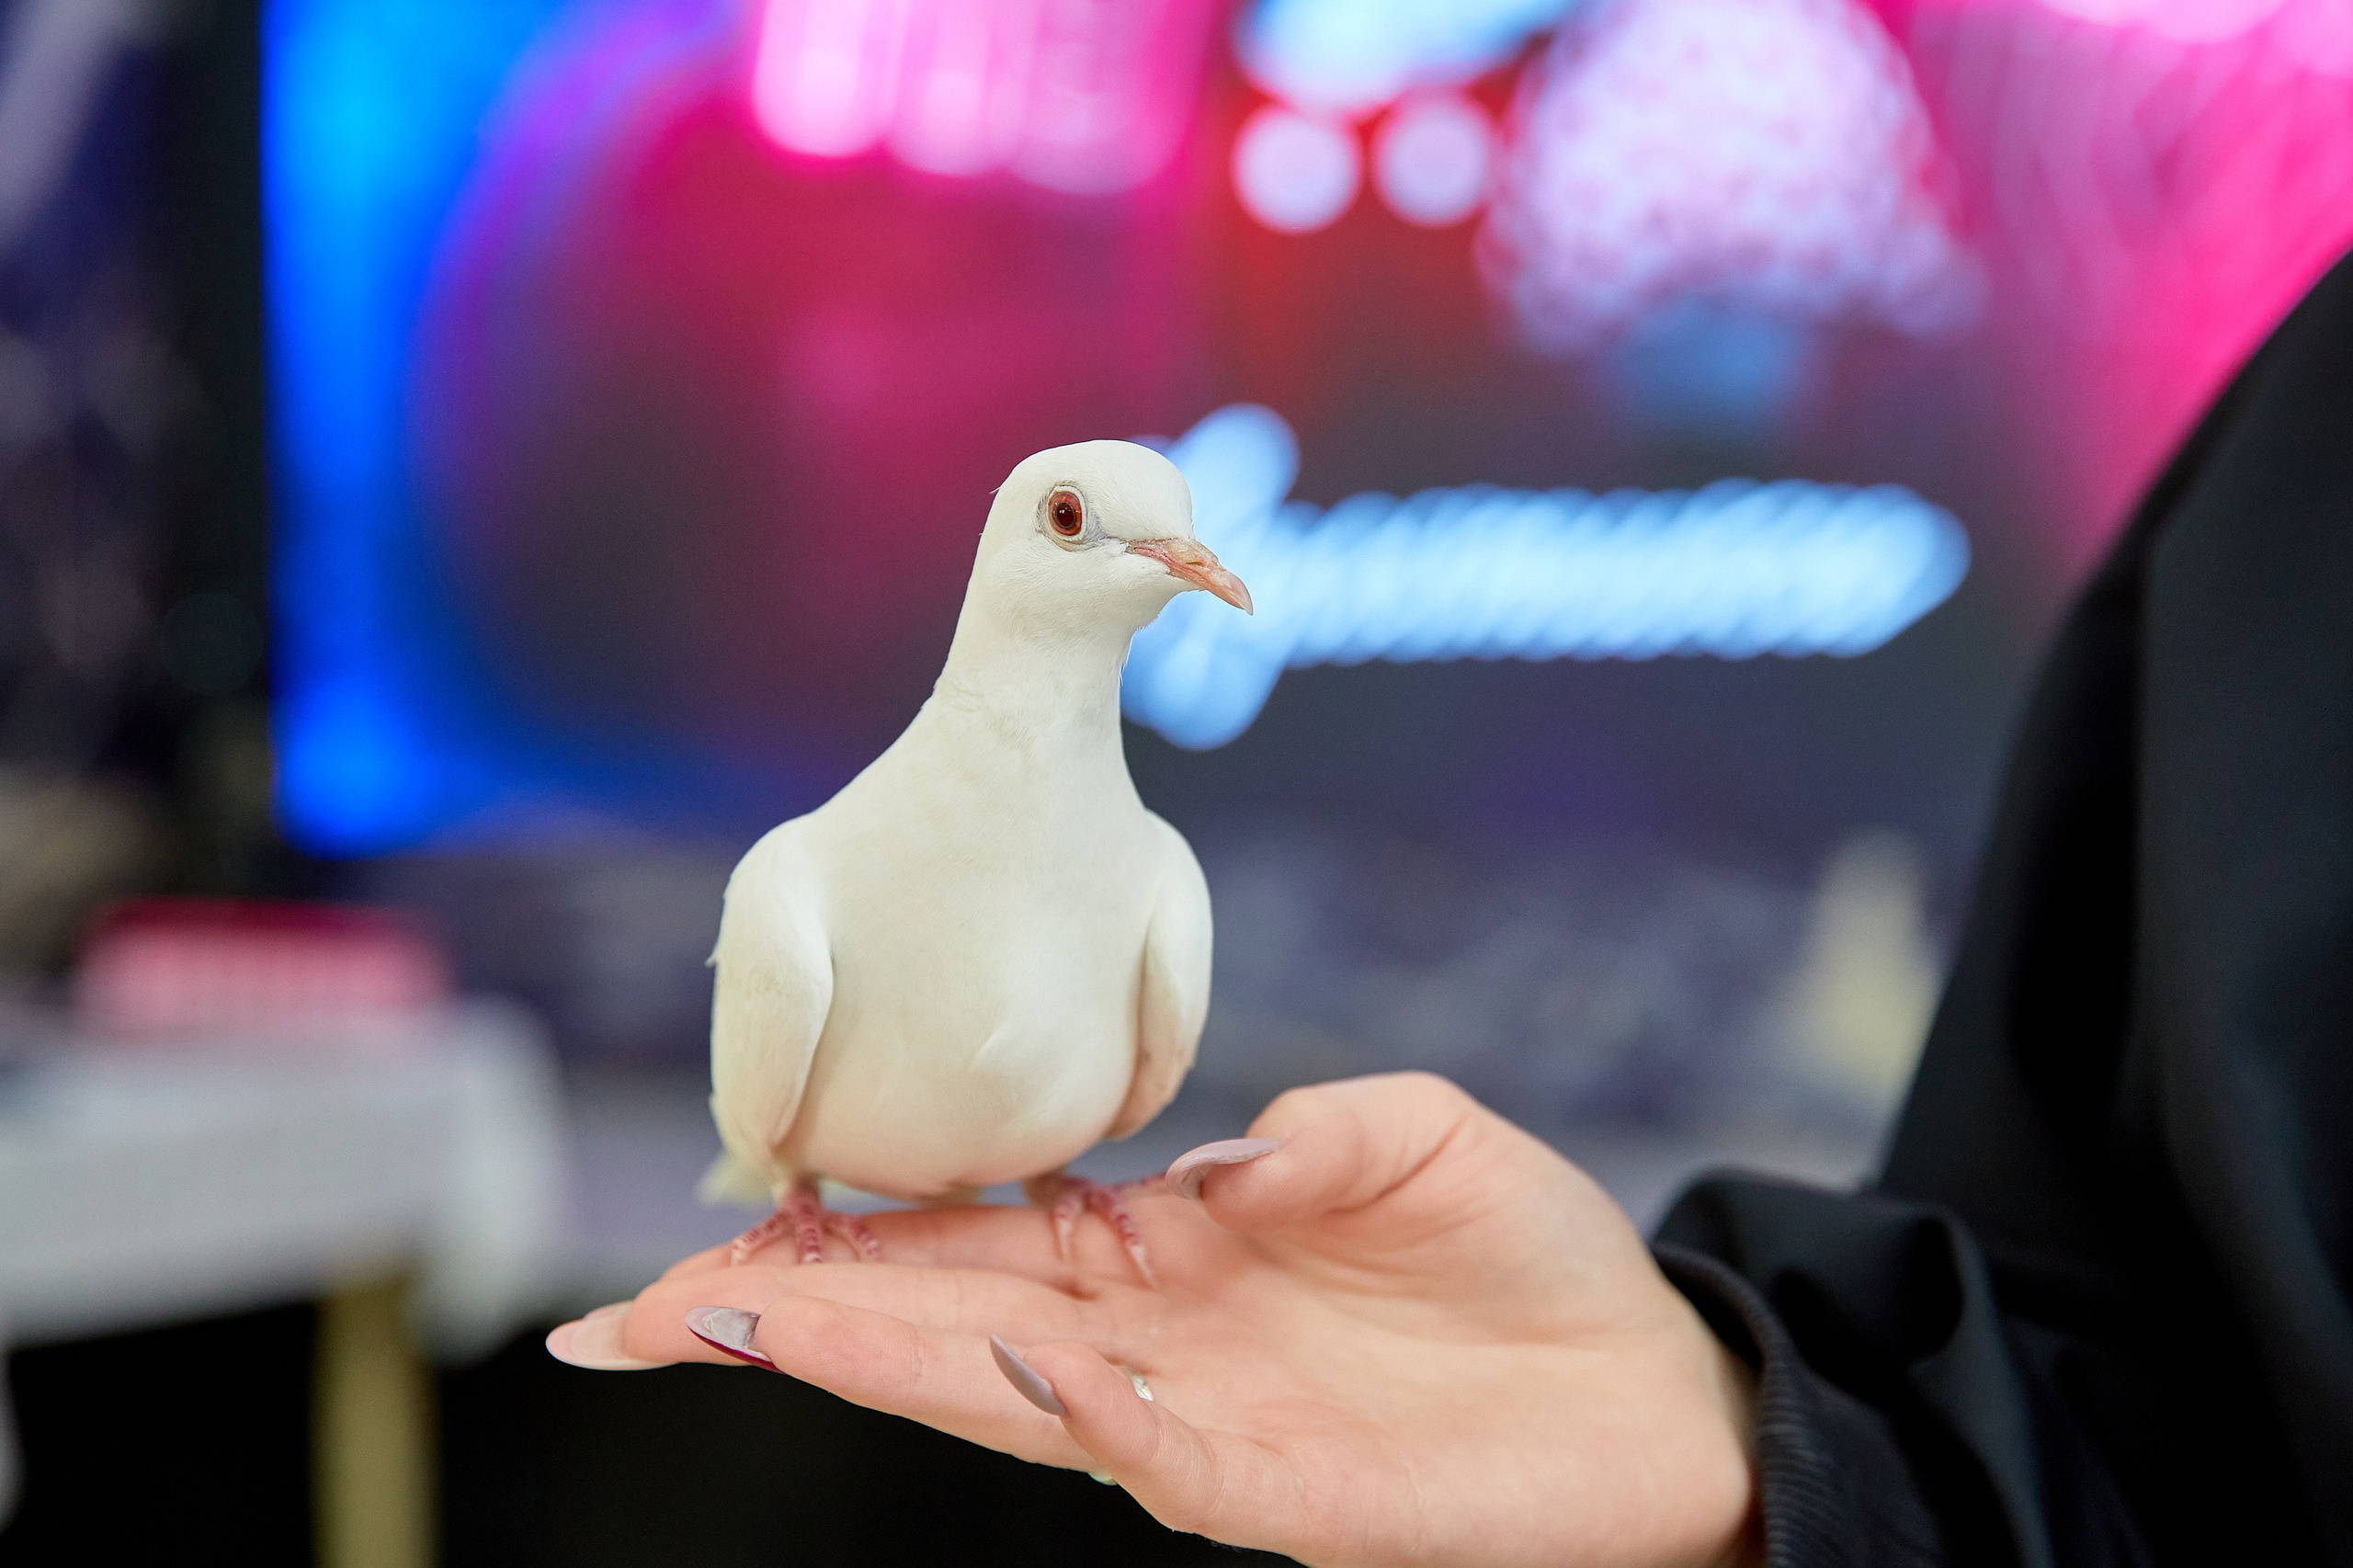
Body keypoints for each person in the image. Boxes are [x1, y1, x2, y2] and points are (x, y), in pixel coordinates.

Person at [548, 250, 2353, 1567]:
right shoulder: (2305, 467)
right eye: (1094, 527)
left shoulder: (1148, 891)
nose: (1166, 561)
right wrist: (1761, 1435)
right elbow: (2142, 1386)